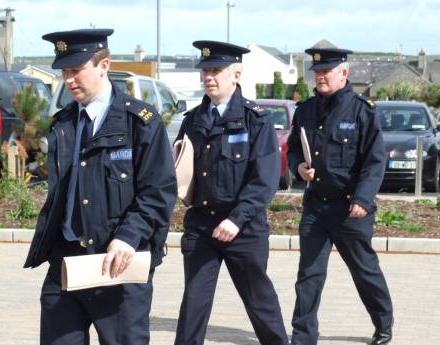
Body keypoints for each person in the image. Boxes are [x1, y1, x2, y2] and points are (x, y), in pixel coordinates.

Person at [24, 28, 177, 345]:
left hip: (117, 265)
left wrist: (127, 236)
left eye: (76, 70)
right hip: (67, 263)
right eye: (64, 71)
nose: (68, 80)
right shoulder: (64, 123)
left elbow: (158, 192)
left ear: (103, 65)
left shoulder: (140, 123)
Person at [173, 40, 289, 345]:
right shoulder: (193, 120)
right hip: (202, 227)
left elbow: (264, 179)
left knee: (260, 303)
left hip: (244, 229)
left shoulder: (257, 121)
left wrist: (237, 219)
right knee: (194, 306)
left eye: (216, 70)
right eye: (205, 70)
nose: (209, 77)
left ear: (236, 74)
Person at [287, 45, 394, 345]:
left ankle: (383, 323)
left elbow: (375, 161)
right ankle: (303, 336)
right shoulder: (305, 110)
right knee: (309, 276)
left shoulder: (362, 111)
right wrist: (299, 169)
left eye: (326, 72)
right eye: (317, 72)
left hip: (350, 209)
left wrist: (362, 199)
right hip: (316, 207)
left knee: (364, 271)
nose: (319, 77)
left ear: (344, 73)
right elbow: (295, 148)